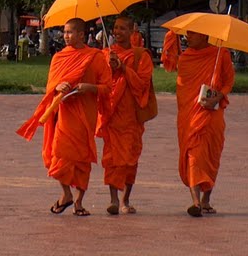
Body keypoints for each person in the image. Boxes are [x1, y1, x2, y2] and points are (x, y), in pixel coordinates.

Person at [17, 17, 111, 217]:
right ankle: (66, 193)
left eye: (70, 32)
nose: (66, 36)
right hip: (65, 114)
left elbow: (107, 88)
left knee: (82, 159)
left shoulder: (95, 57)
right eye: (64, 32)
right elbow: (52, 85)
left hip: (85, 114)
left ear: (81, 34)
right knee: (59, 155)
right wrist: (58, 86)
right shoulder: (59, 58)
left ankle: (78, 202)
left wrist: (89, 87)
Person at [174, 30, 235, 217]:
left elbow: (228, 80)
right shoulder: (185, 58)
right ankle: (195, 202)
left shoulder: (220, 54)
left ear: (205, 36)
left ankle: (205, 200)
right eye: (187, 34)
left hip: (212, 115)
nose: (187, 37)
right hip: (190, 115)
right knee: (193, 154)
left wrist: (217, 95)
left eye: (192, 34)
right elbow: (182, 88)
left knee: (210, 157)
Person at [99, 15, 154, 215]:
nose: (117, 32)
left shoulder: (141, 56)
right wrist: (109, 67)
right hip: (111, 114)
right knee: (111, 158)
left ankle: (125, 199)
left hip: (131, 117)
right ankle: (113, 199)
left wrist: (123, 68)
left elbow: (142, 85)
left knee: (130, 159)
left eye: (123, 28)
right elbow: (102, 83)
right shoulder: (105, 54)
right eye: (115, 28)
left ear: (132, 32)